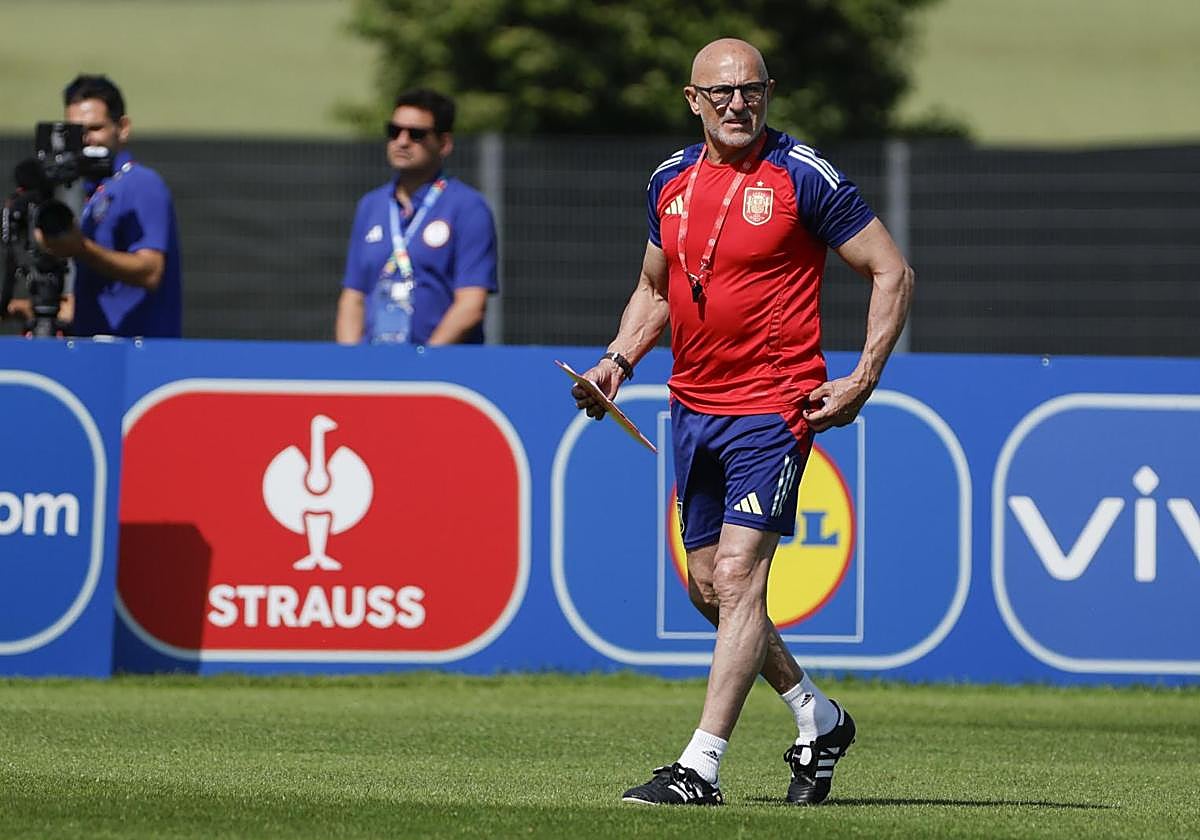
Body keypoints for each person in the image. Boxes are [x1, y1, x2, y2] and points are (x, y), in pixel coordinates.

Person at [571, 38, 914, 806]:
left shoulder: (804, 175)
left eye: (751, 90)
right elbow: (655, 292)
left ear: (769, 93)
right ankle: (815, 716)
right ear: (691, 99)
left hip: (774, 409)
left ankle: (700, 767)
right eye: (720, 93)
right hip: (692, 405)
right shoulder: (668, 180)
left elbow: (892, 269)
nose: (737, 104)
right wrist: (615, 365)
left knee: (737, 576)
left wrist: (862, 378)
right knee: (707, 587)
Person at [336, 88, 498, 346]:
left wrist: (424, 364)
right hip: (375, 366)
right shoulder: (371, 205)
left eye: (416, 134)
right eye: (394, 131)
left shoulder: (468, 207)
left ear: (444, 143)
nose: (402, 141)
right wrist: (351, 363)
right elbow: (353, 296)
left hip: (441, 372)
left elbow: (471, 304)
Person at [36, 74, 183, 337]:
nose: (86, 140)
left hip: (137, 358)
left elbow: (150, 271)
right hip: (99, 351)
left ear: (123, 128)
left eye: (95, 128)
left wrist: (81, 248)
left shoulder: (140, 183)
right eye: (76, 132)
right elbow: (107, 296)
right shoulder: (94, 192)